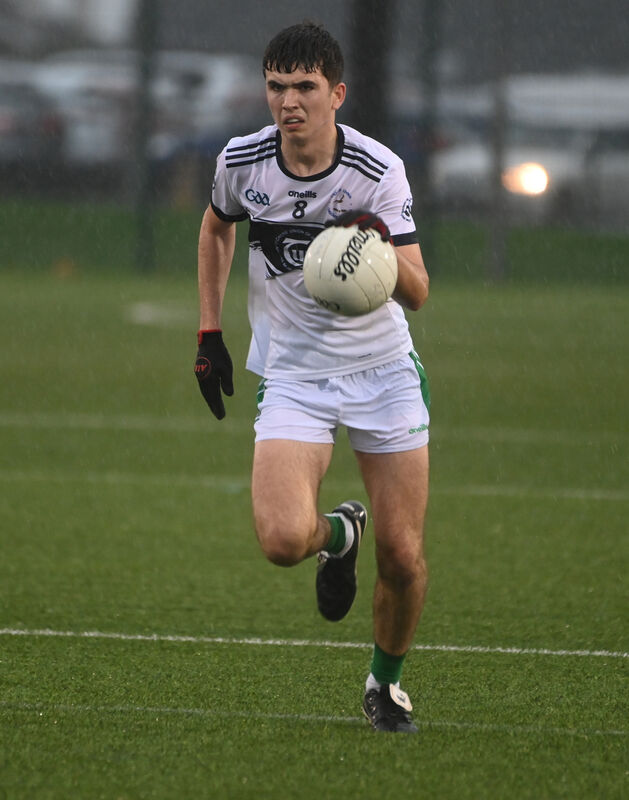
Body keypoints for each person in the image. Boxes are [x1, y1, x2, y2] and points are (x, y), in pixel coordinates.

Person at [194, 21, 430, 734]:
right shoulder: (242, 161)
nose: (287, 102)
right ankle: (338, 536)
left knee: (405, 556)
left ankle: (383, 685)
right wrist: (210, 331)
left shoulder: (375, 168)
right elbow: (214, 228)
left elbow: (418, 291)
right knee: (281, 540)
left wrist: (375, 247)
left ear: (336, 93)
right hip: (294, 372)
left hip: (381, 370)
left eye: (303, 87)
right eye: (275, 86)